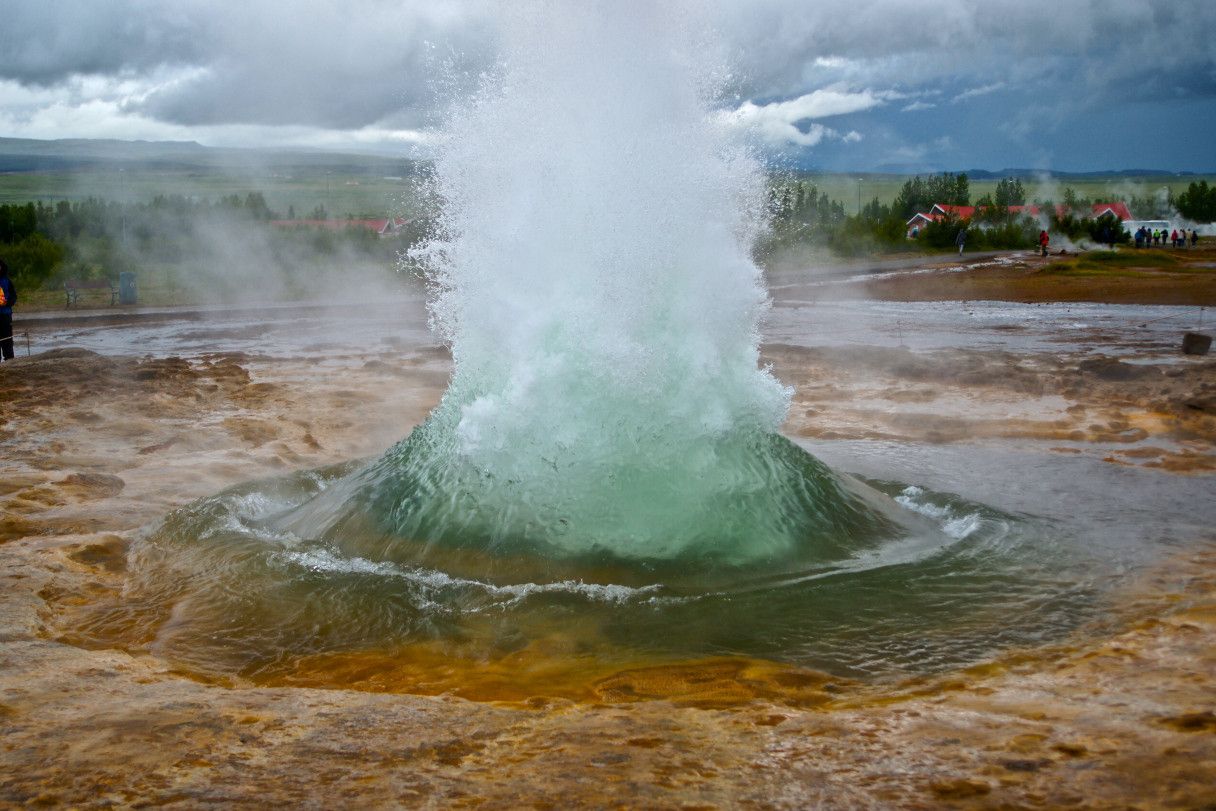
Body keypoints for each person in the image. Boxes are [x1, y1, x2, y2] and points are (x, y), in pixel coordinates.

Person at [0, 259, 16, 362]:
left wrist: (7, 302)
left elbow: (14, 297)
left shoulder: (7, 281)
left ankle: (10, 361)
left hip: (5, 315)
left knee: (7, 340)